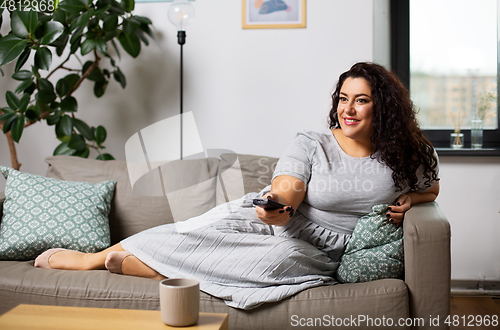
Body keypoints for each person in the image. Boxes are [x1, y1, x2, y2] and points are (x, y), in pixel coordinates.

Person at [34, 62, 439, 309]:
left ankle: (162, 272)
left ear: (382, 106)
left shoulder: (408, 152)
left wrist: (414, 197)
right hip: (281, 217)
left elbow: (432, 188)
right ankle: (94, 258)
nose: (347, 109)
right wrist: (276, 205)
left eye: (361, 100)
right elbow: (288, 184)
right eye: (343, 98)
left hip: (327, 244)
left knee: (275, 260)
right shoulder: (312, 141)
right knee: (193, 230)